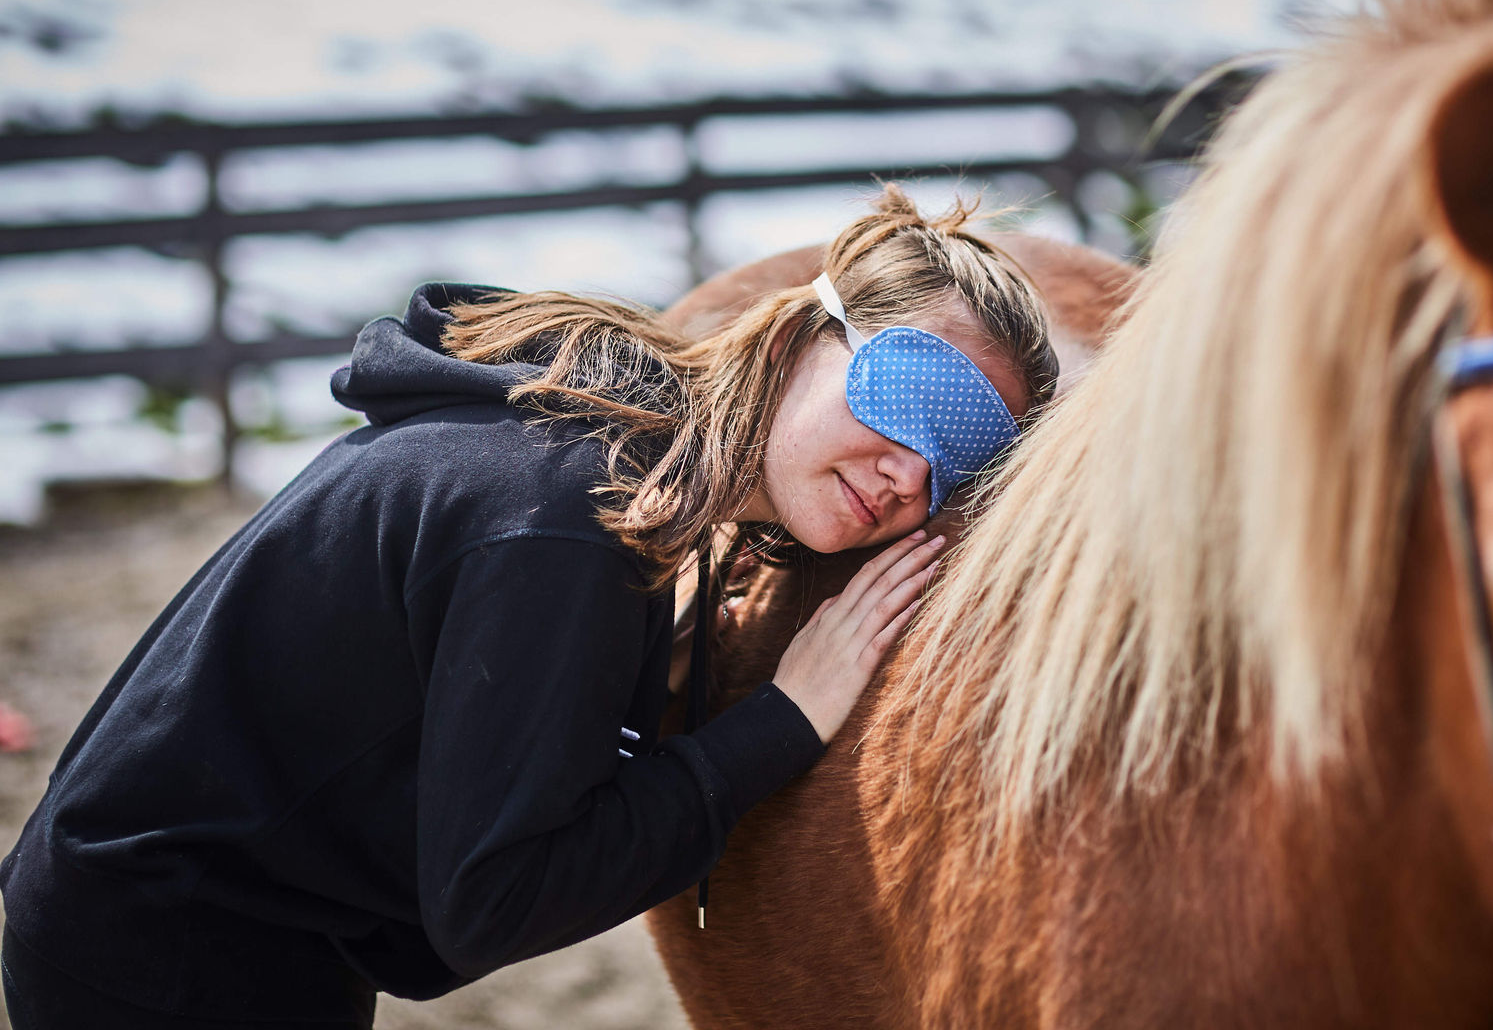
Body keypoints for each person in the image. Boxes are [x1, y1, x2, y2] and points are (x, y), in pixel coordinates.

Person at [0, 186, 1059, 1029]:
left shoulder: (608, 447)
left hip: (205, 912)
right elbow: (493, 901)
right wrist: (781, 723)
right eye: (916, 398)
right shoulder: (565, 517)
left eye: (964, 459)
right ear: (798, 337)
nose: (912, 473)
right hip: (169, 951)